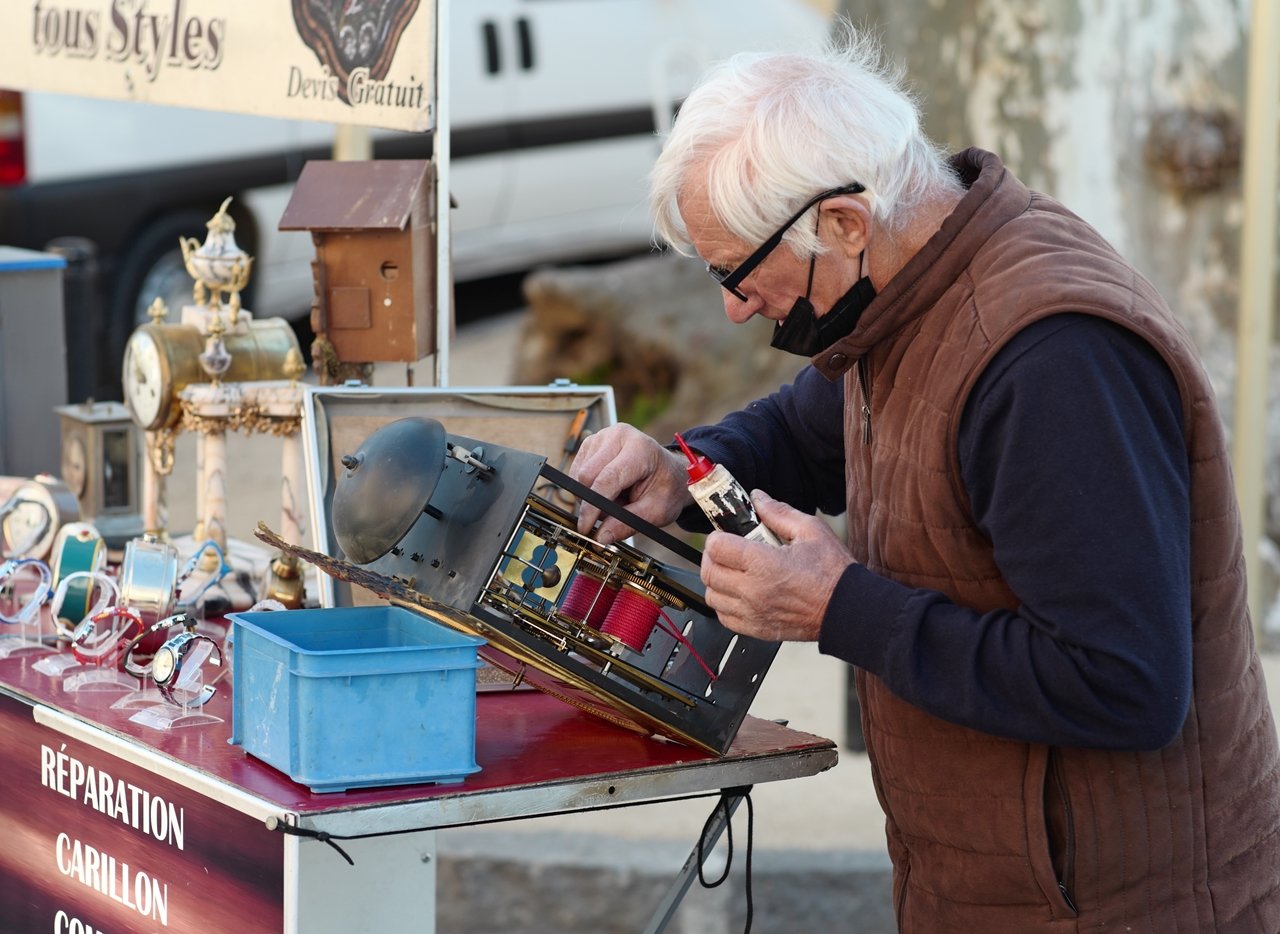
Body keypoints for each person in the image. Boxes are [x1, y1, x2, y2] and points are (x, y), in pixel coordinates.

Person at [568, 24, 1280, 933]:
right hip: (997, 885)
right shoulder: (910, 281)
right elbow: (807, 428)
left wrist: (838, 608)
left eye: (737, 271)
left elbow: (1122, 683)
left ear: (844, 223)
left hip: (1113, 905)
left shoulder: (1052, 360)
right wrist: (680, 470)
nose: (733, 308)